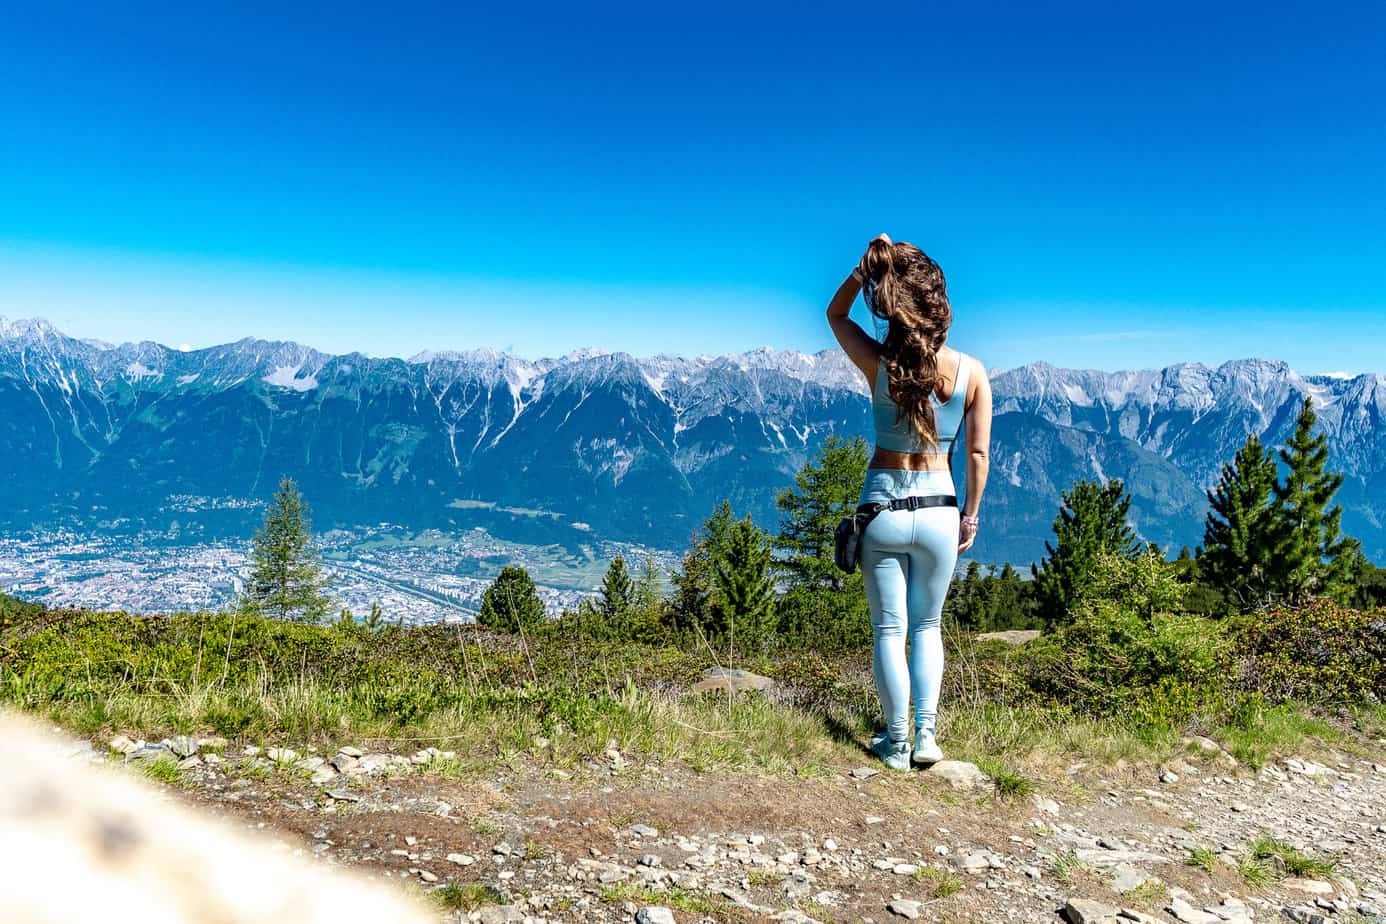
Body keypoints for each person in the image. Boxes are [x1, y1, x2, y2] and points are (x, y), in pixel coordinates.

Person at [826, 234, 992, 770]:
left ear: (895, 306)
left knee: (889, 630)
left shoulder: (880, 365)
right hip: (941, 510)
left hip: (882, 509)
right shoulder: (972, 373)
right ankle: (926, 737)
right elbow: (978, 453)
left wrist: (863, 269)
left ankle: (893, 743)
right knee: (928, 628)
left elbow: (835, 314)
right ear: (938, 304)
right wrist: (970, 513)